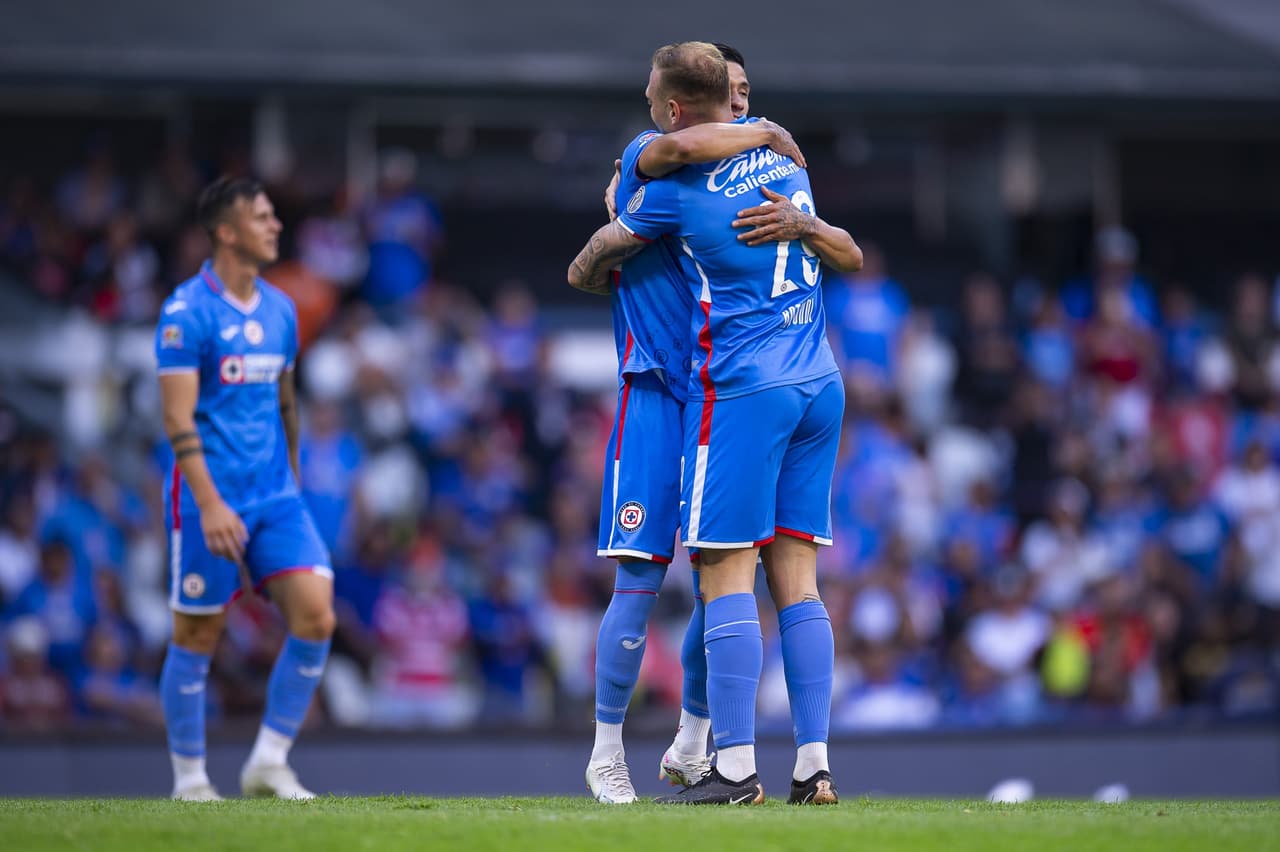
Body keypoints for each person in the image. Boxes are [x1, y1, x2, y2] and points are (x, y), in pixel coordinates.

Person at [570, 42, 862, 806]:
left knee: (720, 572)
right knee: (647, 572)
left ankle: (712, 745)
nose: (742, 105)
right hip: (667, 389)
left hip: (726, 389)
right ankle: (609, 753)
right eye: (730, 94)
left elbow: (609, 240)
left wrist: (601, 255)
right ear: (702, 105)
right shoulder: (679, 158)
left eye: (749, 95)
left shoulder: (715, 168)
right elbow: (657, 170)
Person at [154, 177, 335, 801]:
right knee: (197, 634)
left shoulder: (282, 309)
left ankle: (268, 762)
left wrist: (293, 472)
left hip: (275, 495)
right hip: (210, 496)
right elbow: (177, 418)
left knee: (316, 614)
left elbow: (285, 400)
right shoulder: (185, 314)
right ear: (226, 232)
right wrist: (208, 504)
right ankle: (189, 780)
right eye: (262, 217)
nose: (275, 226)